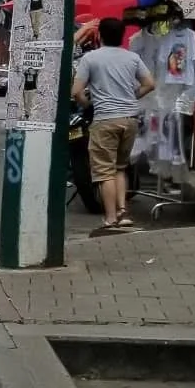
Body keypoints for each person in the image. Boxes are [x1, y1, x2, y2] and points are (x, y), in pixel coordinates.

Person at [73, 14, 155, 229]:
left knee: (104, 171)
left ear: (100, 35)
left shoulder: (90, 59)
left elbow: (77, 92)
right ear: (121, 36)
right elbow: (149, 84)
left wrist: (87, 104)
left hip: (105, 119)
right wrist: (131, 98)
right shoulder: (132, 58)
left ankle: (110, 218)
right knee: (120, 168)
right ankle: (123, 212)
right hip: (129, 119)